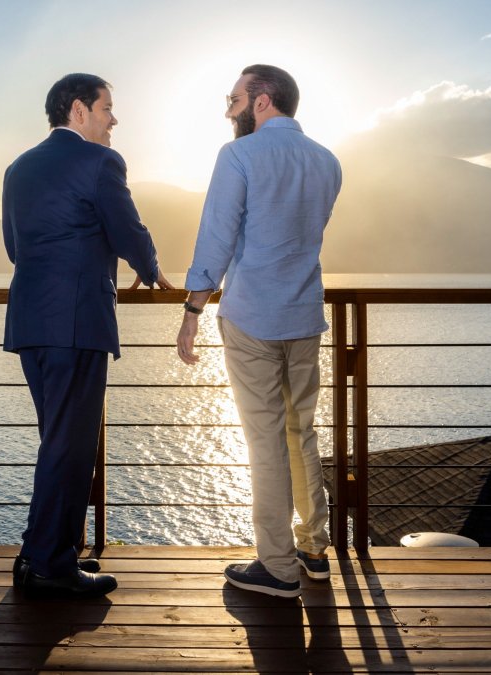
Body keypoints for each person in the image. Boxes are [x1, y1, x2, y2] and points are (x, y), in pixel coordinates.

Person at [3, 73, 173, 598]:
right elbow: (127, 230)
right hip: (77, 322)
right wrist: (149, 266)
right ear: (79, 110)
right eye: (107, 108)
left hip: (32, 321)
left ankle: (37, 556)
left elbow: (14, 246)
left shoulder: (18, 167)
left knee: (57, 441)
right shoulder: (101, 163)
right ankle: (49, 565)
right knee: (70, 446)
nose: (114, 119)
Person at [177, 64, 342, 598]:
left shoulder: (239, 156)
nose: (229, 110)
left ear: (262, 101)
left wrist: (193, 308)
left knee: (265, 441)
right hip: (303, 316)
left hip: (252, 317)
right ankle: (314, 550)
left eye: (234, 99)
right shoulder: (327, 162)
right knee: (302, 432)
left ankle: (276, 567)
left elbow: (217, 236)